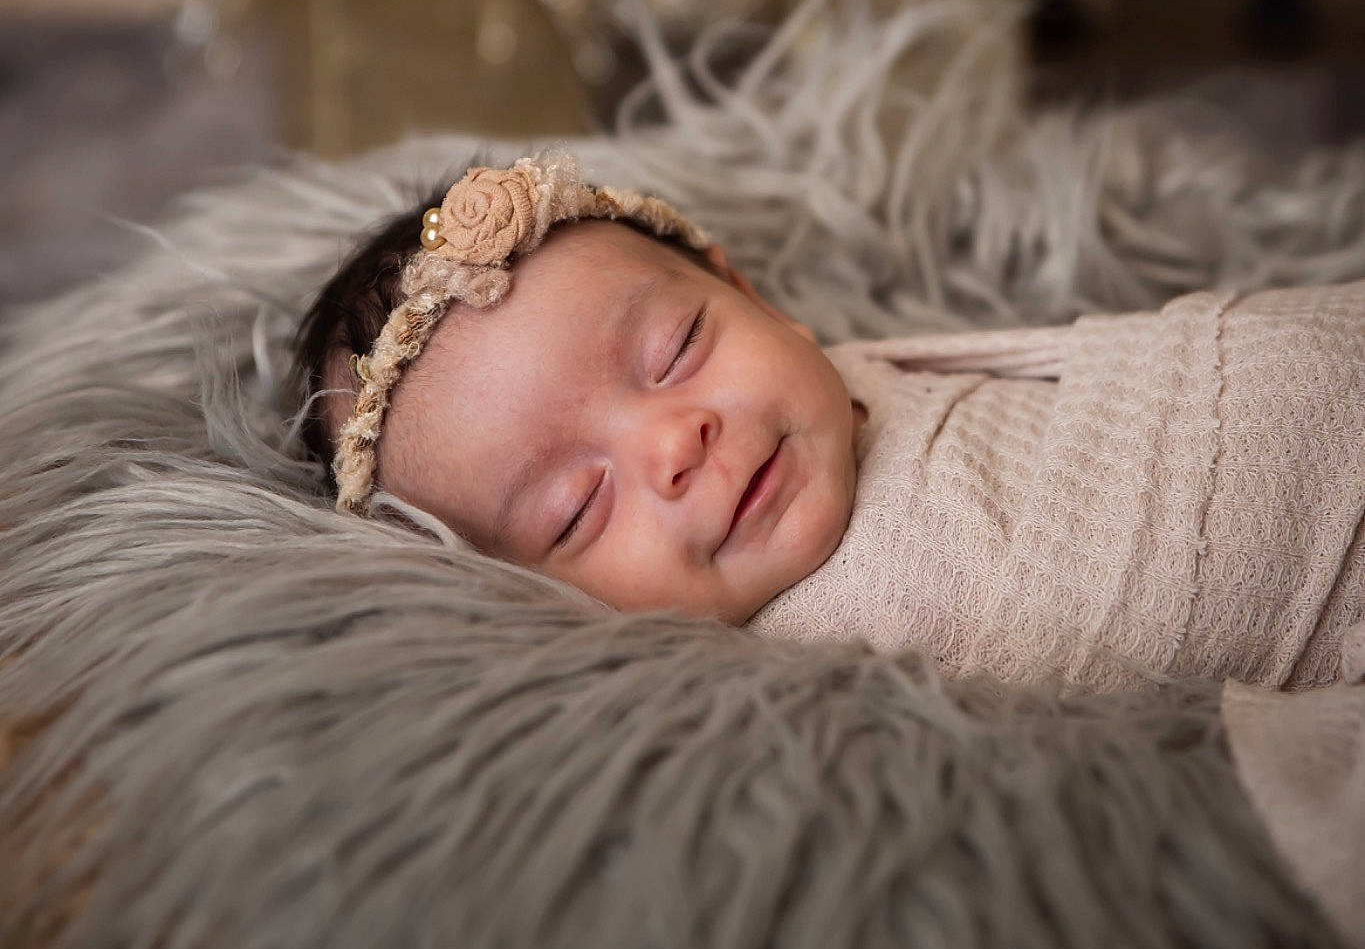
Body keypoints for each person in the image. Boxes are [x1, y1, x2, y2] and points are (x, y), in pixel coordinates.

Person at [295, 152, 1365, 692]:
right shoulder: (766, 689)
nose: (677, 443)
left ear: (746, 289)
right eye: (577, 507)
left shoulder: (841, 388)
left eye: (675, 351)